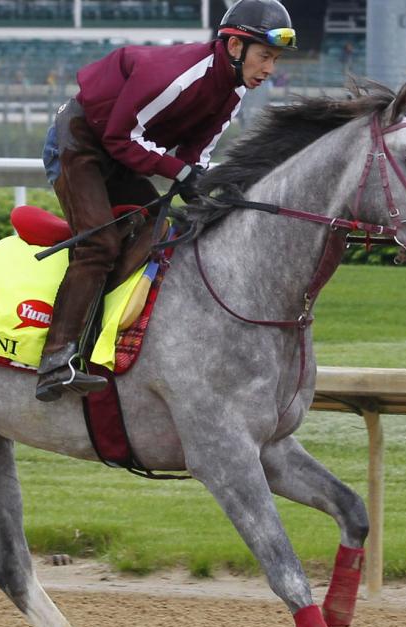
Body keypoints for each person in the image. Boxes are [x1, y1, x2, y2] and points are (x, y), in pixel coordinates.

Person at [35, 0, 295, 402]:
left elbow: (196, 155)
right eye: (264, 56)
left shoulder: (233, 93)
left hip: (120, 152)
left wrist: (204, 187)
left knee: (158, 233)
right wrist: (181, 172)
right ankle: (55, 359)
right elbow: (121, 137)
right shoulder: (180, 77)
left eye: (274, 59)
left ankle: (110, 340)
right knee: (100, 244)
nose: (269, 69)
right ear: (234, 46)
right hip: (80, 142)